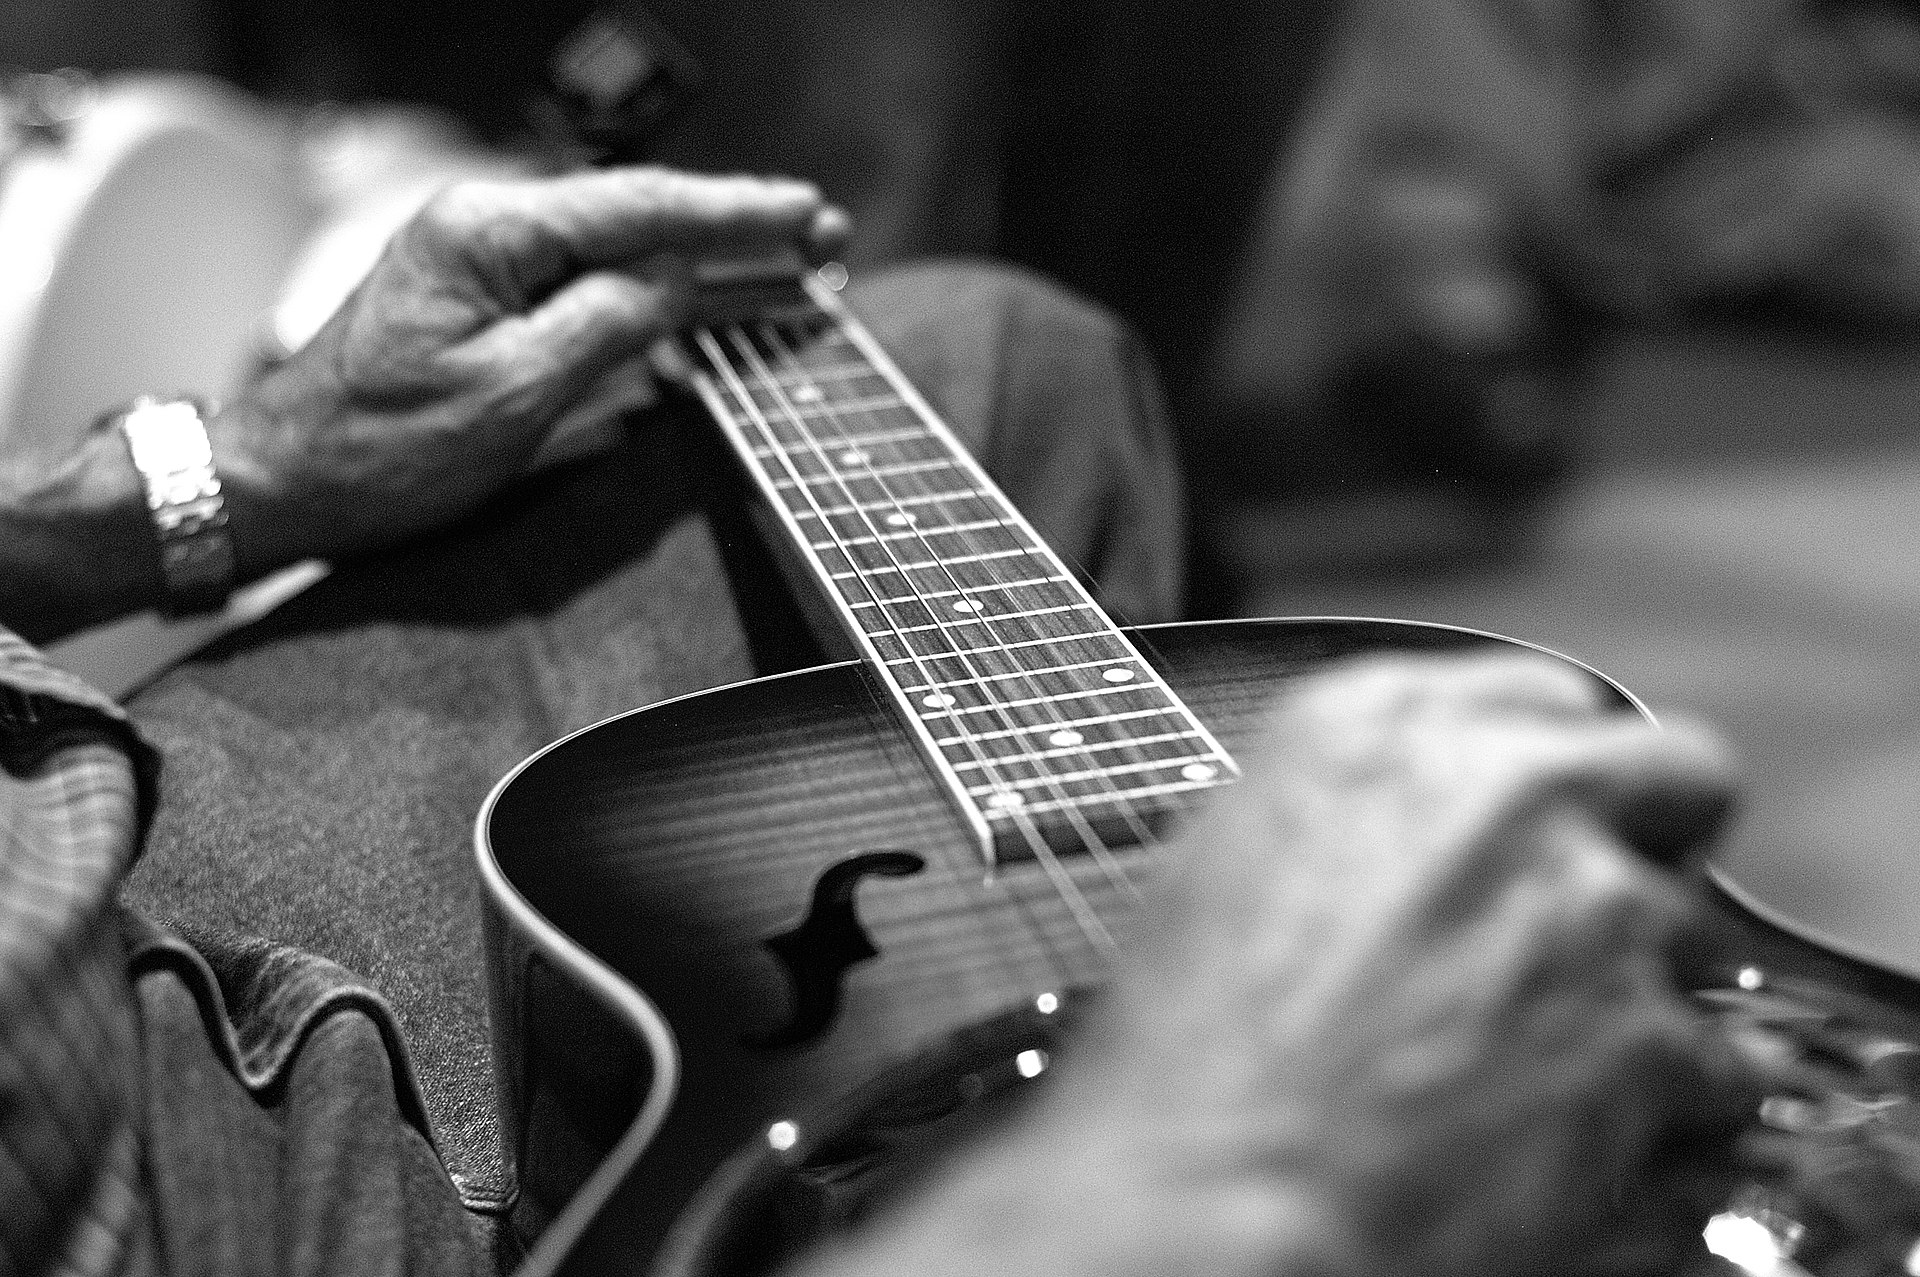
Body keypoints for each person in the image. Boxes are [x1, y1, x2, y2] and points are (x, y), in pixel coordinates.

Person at [0, 163, 1750, 1275]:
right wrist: (1218, 1158)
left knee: (994, 353)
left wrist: (232, 475)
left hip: (72, 856)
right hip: (197, 1189)